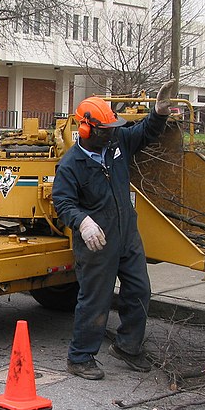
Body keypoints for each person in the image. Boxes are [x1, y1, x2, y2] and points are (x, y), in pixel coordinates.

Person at [52, 80, 174, 380]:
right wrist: (82, 221)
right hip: (96, 240)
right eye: (104, 131)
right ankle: (80, 358)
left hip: (126, 235)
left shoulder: (116, 143)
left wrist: (158, 113)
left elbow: (143, 133)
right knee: (96, 299)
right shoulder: (71, 165)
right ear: (86, 129)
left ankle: (128, 346)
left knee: (140, 290)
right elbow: (62, 201)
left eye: (112, 130)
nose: (111, 134)